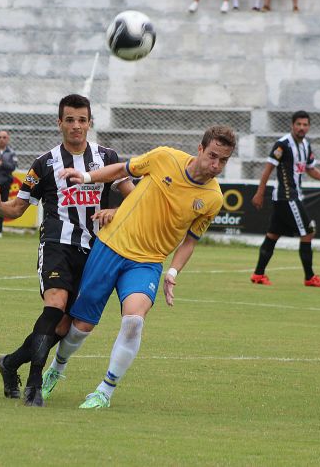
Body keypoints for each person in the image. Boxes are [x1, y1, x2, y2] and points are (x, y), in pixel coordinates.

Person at [42, 126, 238, 409]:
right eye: (212, 156)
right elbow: (122, 169)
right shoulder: (164, 157)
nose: (215, 165)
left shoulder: (212, 199)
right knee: (81, 325)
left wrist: (172, 272)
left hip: (147, 262)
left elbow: (190, 242)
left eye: (223, 160)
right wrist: (85, 176)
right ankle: (57, 369)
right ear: (200, 149)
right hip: (110, 246)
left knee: (134, 321)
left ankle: (105, 392)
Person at [0, 94, 133, 407]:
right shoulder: (44, 164)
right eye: (69, 120)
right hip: (56, 245)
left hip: (94, 252)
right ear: (59, 123)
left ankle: (9, 364)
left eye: (82, 120)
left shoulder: (107, 157)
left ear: (90, 122)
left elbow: (134, 200)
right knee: (54, 307)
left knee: (63, 327)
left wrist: (116, 212)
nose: (76, 126)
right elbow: (17, 209)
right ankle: (34, 384)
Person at [250, 110, 320, 288]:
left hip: (288, 198)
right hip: (287, 197)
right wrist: (259, 192)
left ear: (308, 127)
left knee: (273, 234)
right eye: (299, 124)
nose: (302, 128)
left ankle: (258, 274)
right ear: (292, 125)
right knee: (309, 231)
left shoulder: (305, 146)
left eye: (305, 125)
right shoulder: (283, 144)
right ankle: (310, 277)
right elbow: (268, 169)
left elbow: (310, 169)